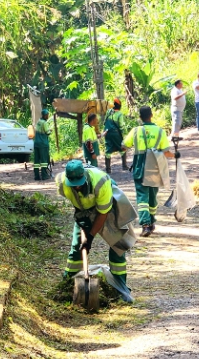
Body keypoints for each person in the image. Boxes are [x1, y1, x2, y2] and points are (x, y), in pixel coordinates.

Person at [57, 161, 131, 287]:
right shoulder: (61, 184)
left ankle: (120, 287)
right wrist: (83, 220)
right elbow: (76, 201)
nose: (77, 187)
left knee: (118, 245)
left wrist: (90, 237)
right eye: (73, 185)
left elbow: (103, 213)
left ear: (85, 176)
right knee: (77, 246)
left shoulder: (101, 182)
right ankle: (67, 284)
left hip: (107, 203)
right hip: (84, 209)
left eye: (79, 184)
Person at [122, 106, 174, 237]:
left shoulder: (136, 131)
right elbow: (166, 152)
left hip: (140, 167)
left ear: (140, 117)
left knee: (142, 197)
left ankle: (145, 225)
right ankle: (151, 222)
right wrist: (176, 156)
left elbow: (124, 146)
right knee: (152, 196)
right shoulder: (160, 131)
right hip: (155, 168)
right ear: (151, 115)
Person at [103, 98, 128, 173]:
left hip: (107, 132)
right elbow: (121, 126)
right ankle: (124, 166)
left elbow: (104, 122)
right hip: (116, 133)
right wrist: (124, 135)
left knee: (108, 150)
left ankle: (108, 169)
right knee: (122, 148)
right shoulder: (119, 114)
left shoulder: (108, 111)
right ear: (120, 106)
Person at [33, 109, 52, 181]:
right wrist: (50, 130)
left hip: (36, 143)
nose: (48, 116)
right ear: (44, 115)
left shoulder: (38, 121)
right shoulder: (44, 123)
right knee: (44, 160)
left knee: (36, 161)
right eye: (47, 115)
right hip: (43, 144)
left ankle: (36, 175)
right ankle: (44, 175)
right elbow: (47, 132)